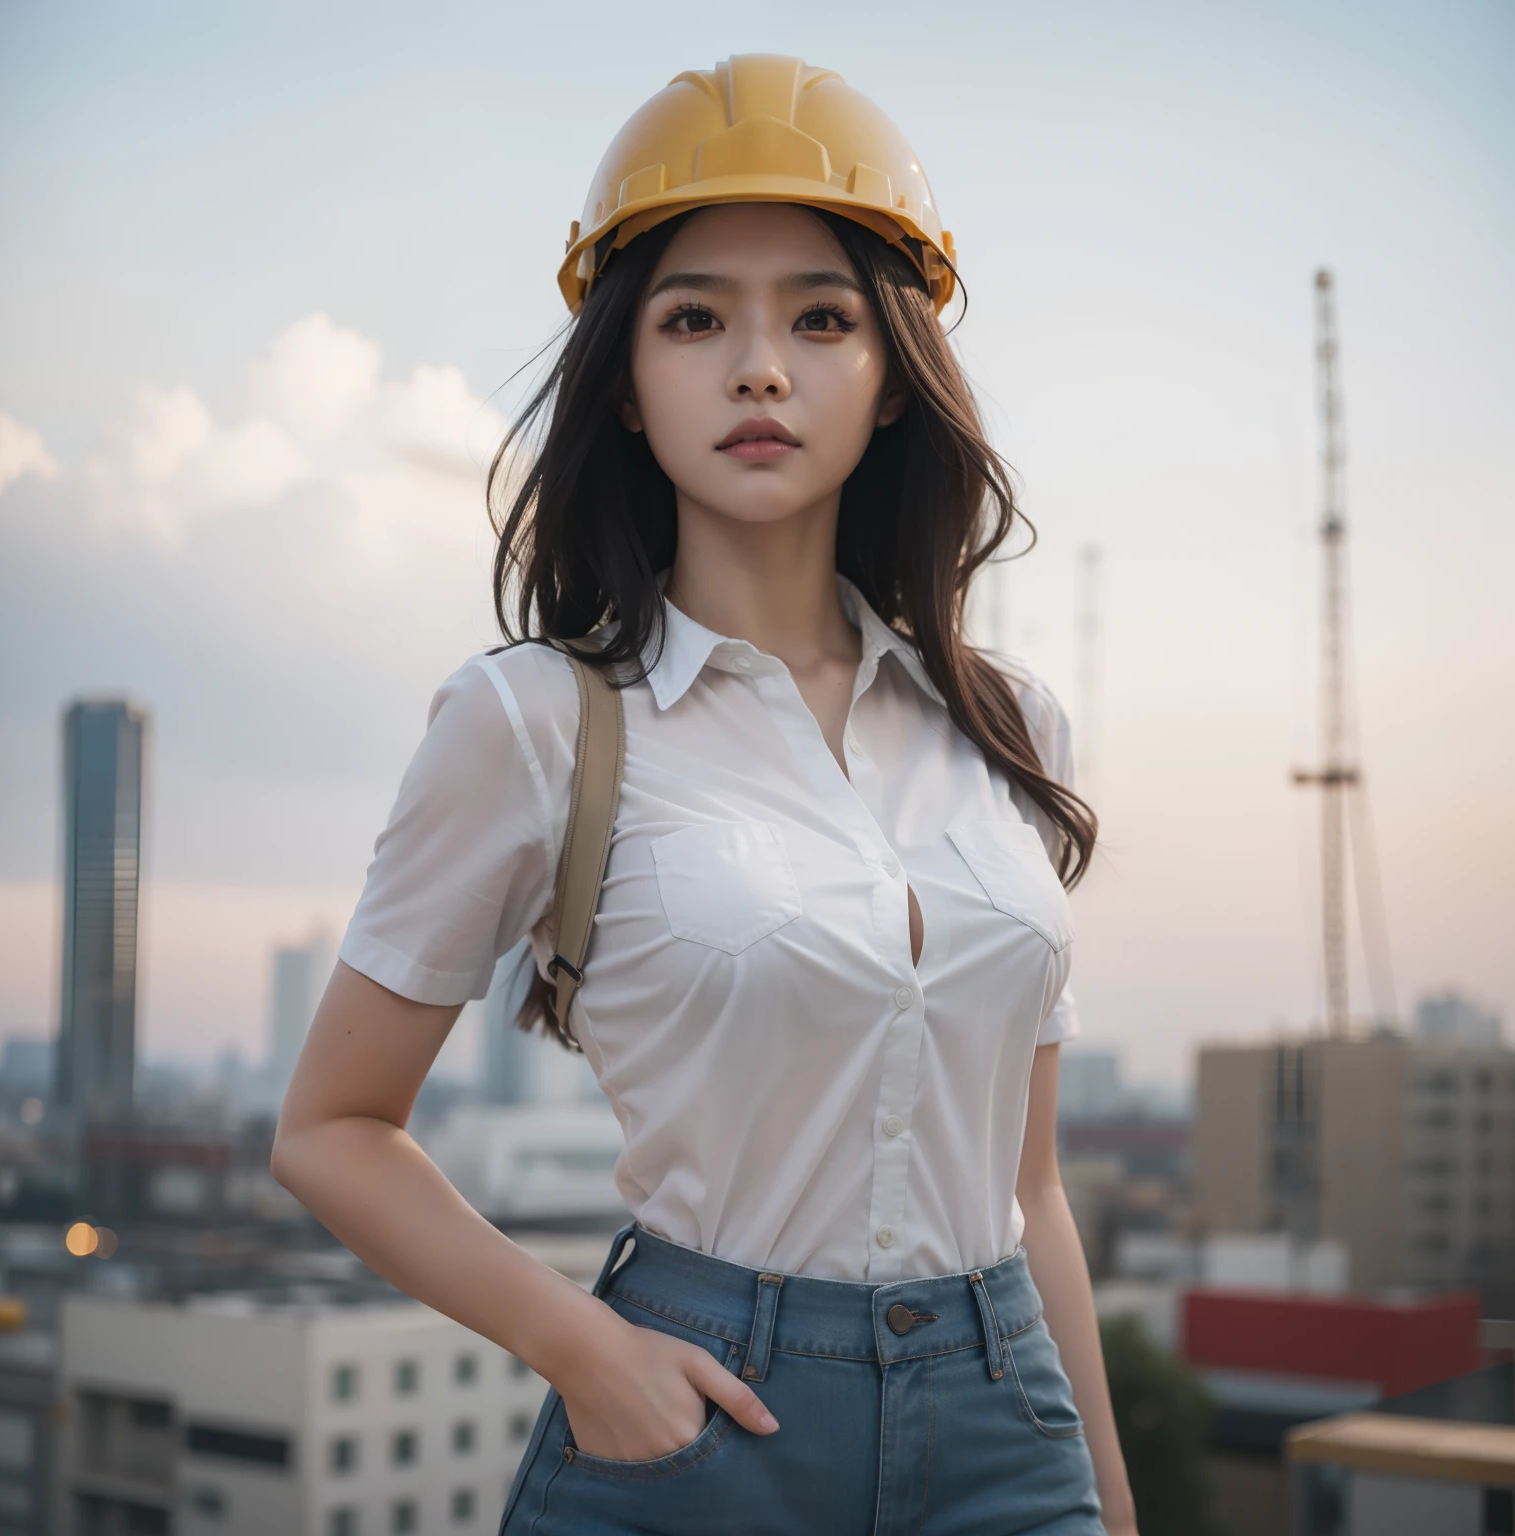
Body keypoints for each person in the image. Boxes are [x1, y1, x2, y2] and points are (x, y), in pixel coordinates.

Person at [273, 53, 1137, 1536]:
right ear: (624, 384)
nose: (760, 367)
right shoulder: (537, 719)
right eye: (694, 319)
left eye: (821, 317)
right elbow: (332, 1127)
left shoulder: (1011, 725)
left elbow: (1029, 1187)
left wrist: (1109, 1502)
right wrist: (581, 1349)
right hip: (700, 1422)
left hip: (1010, 1424)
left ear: (892, 377)